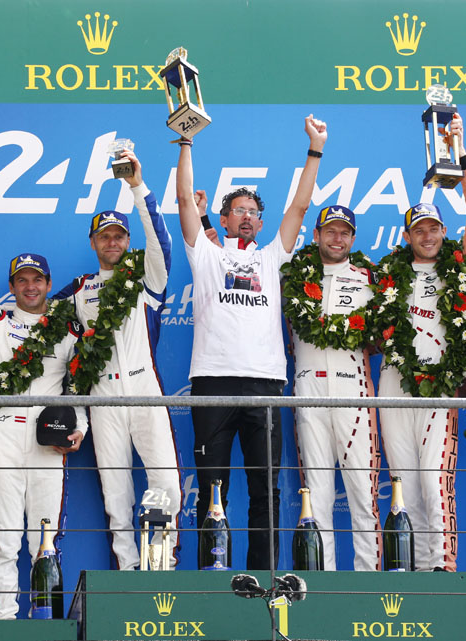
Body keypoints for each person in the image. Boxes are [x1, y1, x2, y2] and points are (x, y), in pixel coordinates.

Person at [176, 114, 328, 569]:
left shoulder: (271, 258)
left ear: (260, 223)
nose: (247, 217)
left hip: (264, 386)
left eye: (254, 212)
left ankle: (264, 581)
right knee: (211, 487)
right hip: (212, 385)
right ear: (223, 219)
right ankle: (210, 576)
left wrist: (315, 149)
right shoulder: (205, 252)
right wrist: (185, 143)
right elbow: (185, 198)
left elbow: (299, 210)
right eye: (238, 210)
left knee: (266, 491)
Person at [54, 149, 182, 570]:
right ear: (93, 243)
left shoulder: (147, 280)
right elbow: (41, 327)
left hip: (146, 389)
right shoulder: (78, 291)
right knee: (115, 491)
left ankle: (160, 567)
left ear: (128, 242)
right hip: (102, 395)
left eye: (119, 236)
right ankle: (127, 573)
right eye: (104, 236)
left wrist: (136, 185)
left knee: (165, 482)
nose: (112, 242)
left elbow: (161, 239)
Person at [375, 113, 466, 572]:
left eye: (434, 228)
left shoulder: (461, 269)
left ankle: (439, 572)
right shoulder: (386, 274)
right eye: (418, 229)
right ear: (407, 237)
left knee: (434, 481)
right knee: (404, 483)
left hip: (440, 389)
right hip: (393, 385)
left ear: (445, 233)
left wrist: (461, 157)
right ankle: (409, 572)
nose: (427, 235)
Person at [0, 240, 85, 619]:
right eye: (21, 281)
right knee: (6, 538)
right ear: (10, 286)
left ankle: (47, 621)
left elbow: (78, 384)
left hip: (50, 437)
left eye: (36, 280)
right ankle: (5, 620)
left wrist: (82, 426)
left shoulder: (69, 330)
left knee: (46, 537)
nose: (29, 287)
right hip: (4, 432)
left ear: (48, 282)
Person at [284, 205, 381, 570]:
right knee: (317, 493)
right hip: (308, 389)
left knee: (362, 491)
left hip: (353, 390)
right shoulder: (292, 277)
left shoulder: (369, 278)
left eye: (344, 233)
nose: (337, 238)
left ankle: (369, 580)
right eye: (330, 231)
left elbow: (380, 337)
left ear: (352, 239)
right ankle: (322, 583)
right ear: (316, 235)